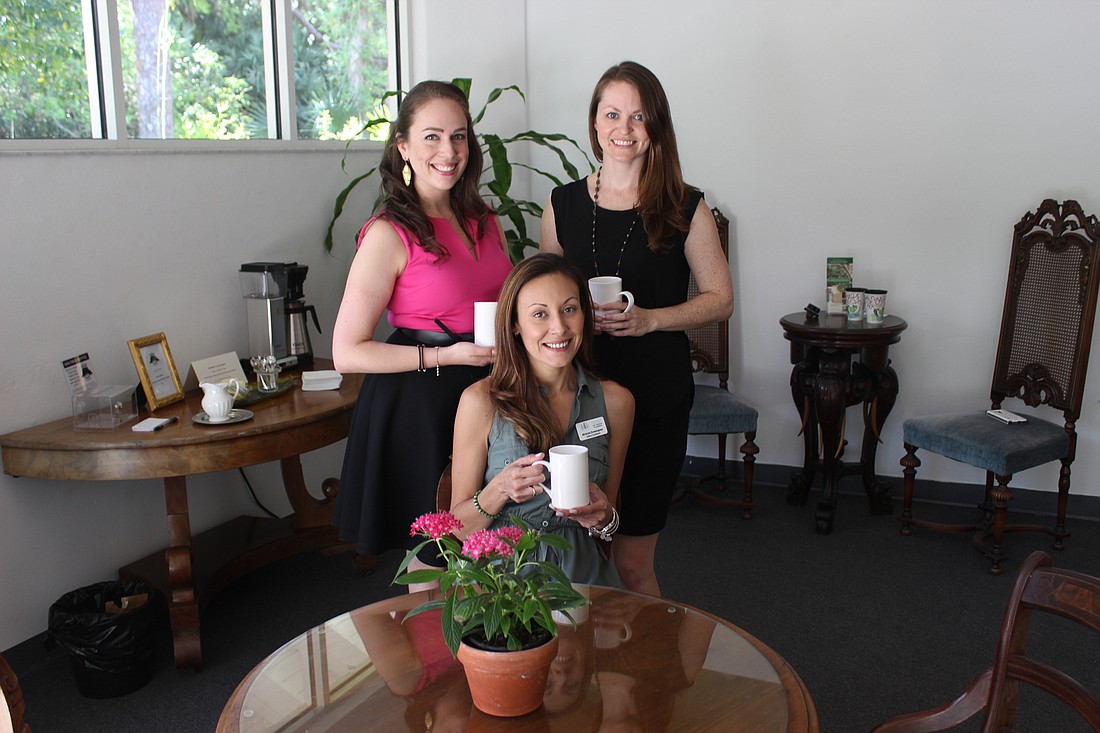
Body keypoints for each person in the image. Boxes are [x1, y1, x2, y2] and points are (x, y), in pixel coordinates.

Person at [540, 61, 734, 596]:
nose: (623, 129)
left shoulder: (684, 206)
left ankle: (647, 678)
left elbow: (721, 300)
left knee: (630, 561)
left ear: (656, 128)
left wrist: (652, 319)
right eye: (612, 114)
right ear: (595, 122)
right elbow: (542, 297)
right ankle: (586, 671)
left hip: (655, 395)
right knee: (575, 551)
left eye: (638, 116)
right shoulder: (562, 205)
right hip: (576, 397)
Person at [332, 80, 514, 586]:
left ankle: (474, 661)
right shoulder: (389, 232)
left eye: (458, 137)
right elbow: (346, 352)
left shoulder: (485, 220)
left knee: (487, 541)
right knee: (435, 553)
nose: (448, 152)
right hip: (419, 397)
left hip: (485, 389)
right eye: (431, 137)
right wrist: (446, 356)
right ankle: (425, 662)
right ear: (404, 146)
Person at [449, 254, 634, 587]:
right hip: (501, 584)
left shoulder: (617, 403)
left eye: (569, 309)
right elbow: (458, 529)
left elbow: (608, 521)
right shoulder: (480, 402)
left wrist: (604, 517)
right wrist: (499, 490)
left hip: (585, 579)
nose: (559, 328)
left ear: (584, 315)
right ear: (515, 324)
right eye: (539, 314)